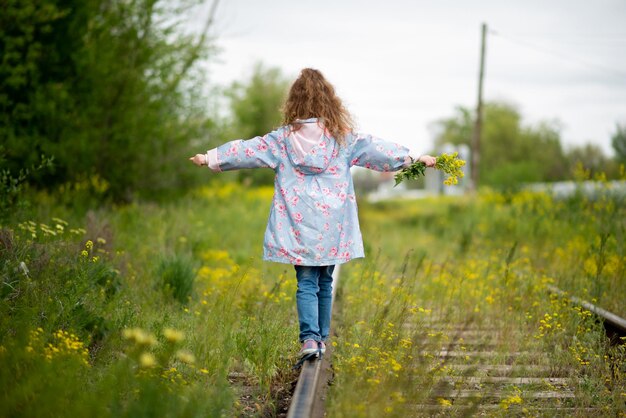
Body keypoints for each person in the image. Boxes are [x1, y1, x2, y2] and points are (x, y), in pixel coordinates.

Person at [190, 68, 436, 358]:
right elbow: (377, 150)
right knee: (325, 282)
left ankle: (309, 339)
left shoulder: (280, 140)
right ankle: (322, 339)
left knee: (306, 281)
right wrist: (413, 159)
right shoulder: (344, 139)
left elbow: (248, 150)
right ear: (329, 102)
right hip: (332, 223)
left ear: (294, 103)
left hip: (298, 222)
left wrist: (211, 158)